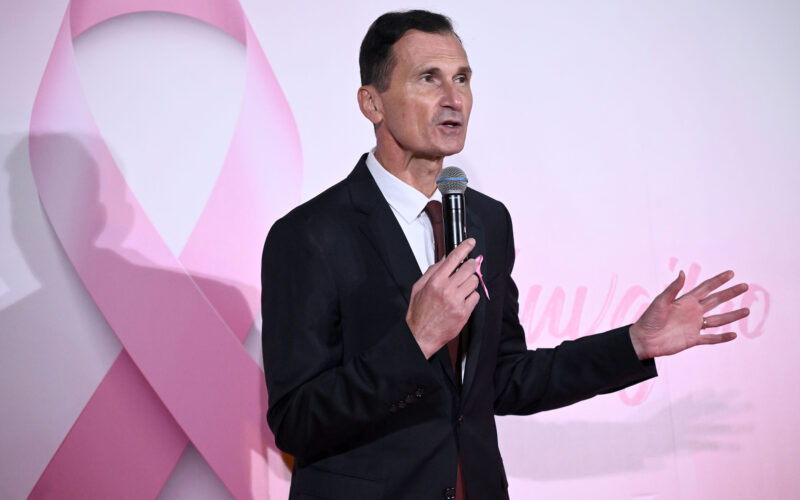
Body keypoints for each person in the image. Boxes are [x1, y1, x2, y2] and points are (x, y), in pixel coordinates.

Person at [260, 10, 749, 500]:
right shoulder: (309, 235)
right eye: (428, 78)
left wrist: (633, 344)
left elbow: (506, 377)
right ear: (372, 103)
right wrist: (415, 342)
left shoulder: (487, 221)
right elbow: (296, 421)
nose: (453, 99)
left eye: (462, 79)